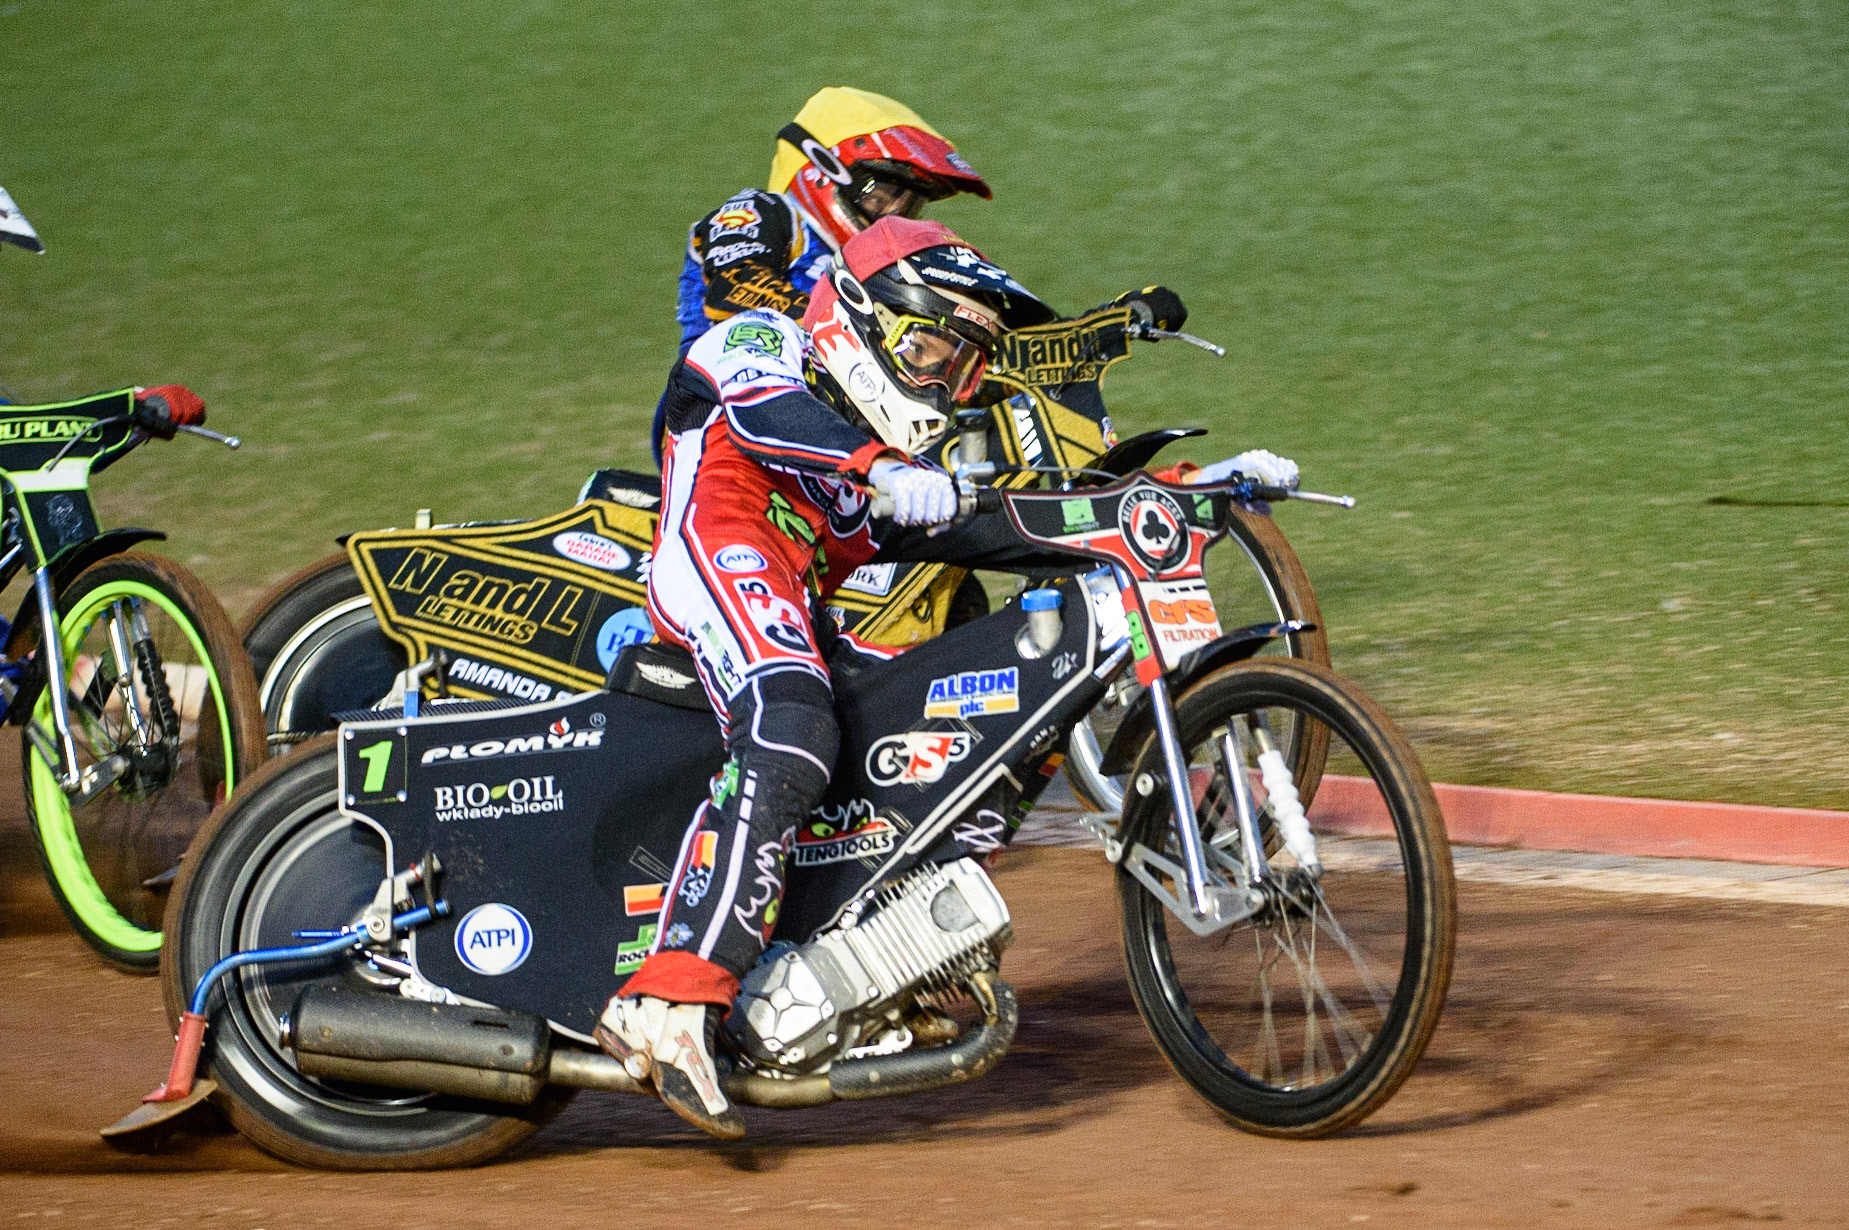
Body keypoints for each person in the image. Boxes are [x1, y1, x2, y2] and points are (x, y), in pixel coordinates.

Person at [599, 216, 1299, 1139]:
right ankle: (668, 995)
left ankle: (885, 964)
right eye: (929, 345)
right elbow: (772, 415)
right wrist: (880, 466)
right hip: (714, 559)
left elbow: (1020, 517)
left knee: (965, 724)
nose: (942, 379)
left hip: (794, 595)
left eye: (961, 361)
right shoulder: (763, 342)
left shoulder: (879, 451)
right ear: (861, 317)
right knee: (792, 721)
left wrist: (1185, 490)